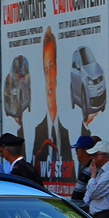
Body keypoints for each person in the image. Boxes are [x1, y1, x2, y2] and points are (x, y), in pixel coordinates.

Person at [32, 27, 72, 189]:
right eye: (45, 69)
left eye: (51, 67)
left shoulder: (66, 133)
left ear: (56, 69)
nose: (48, 76)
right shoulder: (38, 133)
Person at [70, 135, 100, 211]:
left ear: (82, 151)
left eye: (77, 149)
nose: (76, 153)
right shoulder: (88, 167)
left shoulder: (92, 168)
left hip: (85, 211)